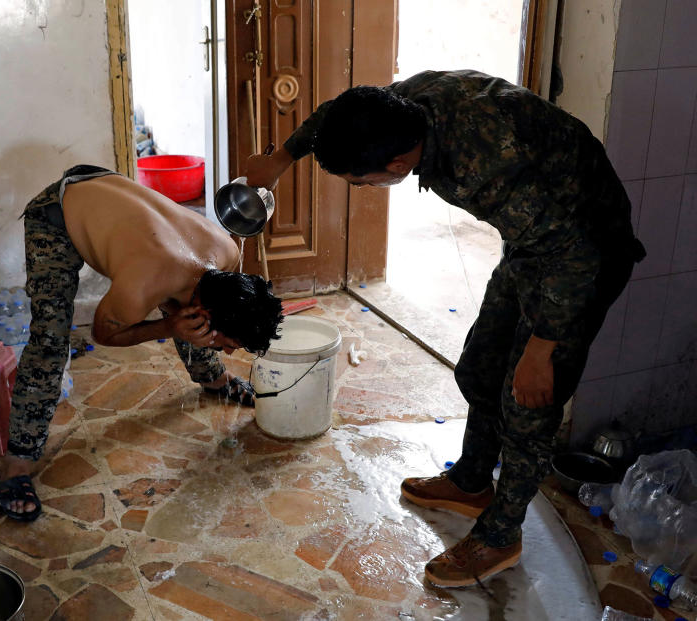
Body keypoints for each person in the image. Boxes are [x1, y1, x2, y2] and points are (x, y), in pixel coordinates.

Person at [244, 70, 645, 586]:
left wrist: (543, 348)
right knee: (480, 368)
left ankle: (501, 537)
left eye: (359, 182)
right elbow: (336, 117)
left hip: (584, 255)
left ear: (397, 164)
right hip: (535, 243)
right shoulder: (403, 106)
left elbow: (575, 254)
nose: (358, 188)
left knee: (527, 403)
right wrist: (281, 159)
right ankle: (472, 481)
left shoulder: (489, 163)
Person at [0, 165, 283, 520]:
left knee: (190, 310)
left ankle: (212, 379)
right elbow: (103, 334)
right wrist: (167, 326)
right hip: (57, 214)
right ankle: (17, 462)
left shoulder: (227, 253)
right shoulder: (143, 285)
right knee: (50, 340)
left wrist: (180, 323)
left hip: (109, 194)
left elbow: (196, 303)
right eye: (228, 344)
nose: (227, 349)